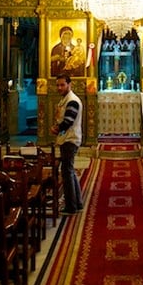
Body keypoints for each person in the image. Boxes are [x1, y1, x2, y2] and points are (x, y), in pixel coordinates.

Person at [51, 74, 83, 215]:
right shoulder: (66, 99)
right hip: (67, 138)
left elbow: (68, 120)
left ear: (69, 85)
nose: (59, 87)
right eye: (57, 85)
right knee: (69, 170)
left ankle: (71, 206)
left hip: (70, 139)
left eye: (62, 85)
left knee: (66, 171)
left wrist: (56, 128)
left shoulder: (72, 101)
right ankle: (78, 202)